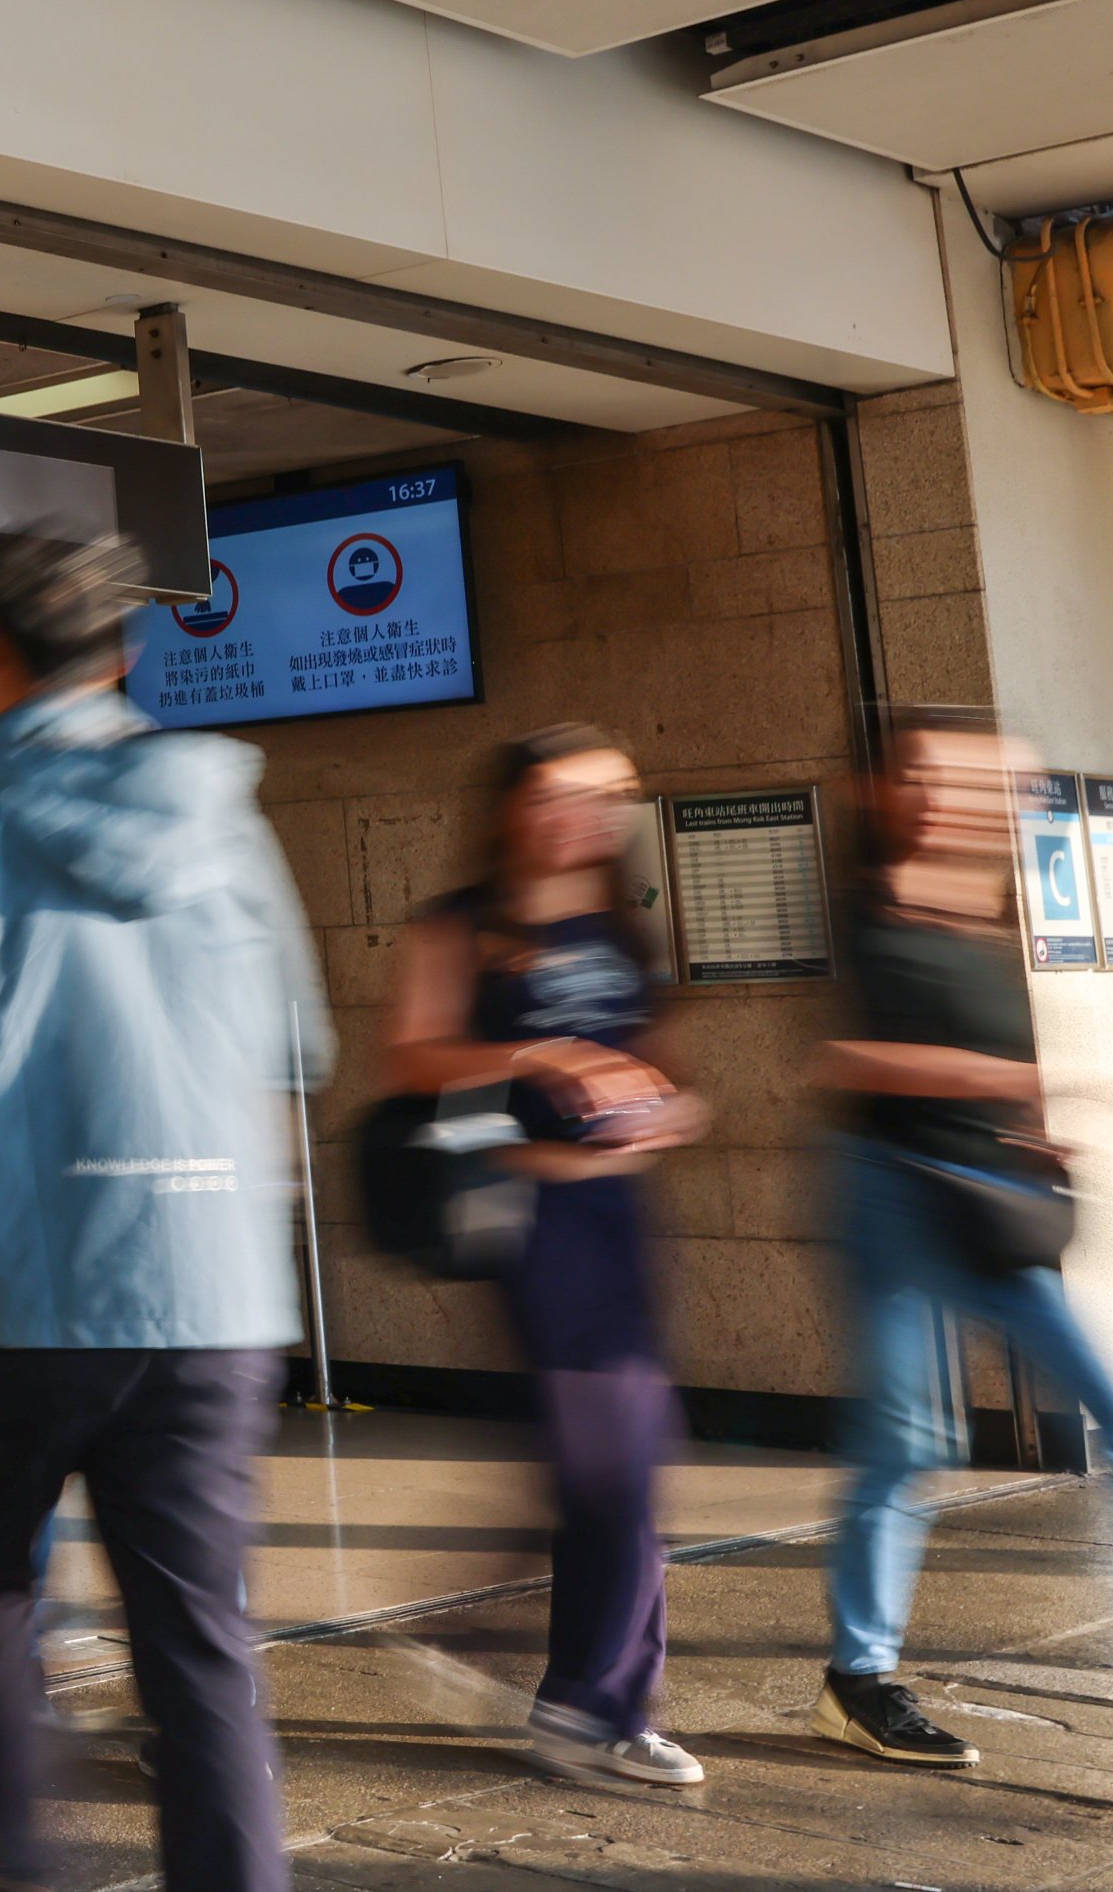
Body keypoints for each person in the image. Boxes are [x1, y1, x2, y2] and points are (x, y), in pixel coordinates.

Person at [0, 529, 327, 1892]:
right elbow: (299, 1047)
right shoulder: (224, 817)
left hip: (16, 1300)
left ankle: (27, 1867)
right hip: (214, 1302)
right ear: (121, 653)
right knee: (200, 1646)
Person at [815, 706, 1113, 1766]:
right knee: (906, 1440)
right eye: (927, 778)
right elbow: (852, 1060)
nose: (949, 798)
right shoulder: (869, 905)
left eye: (974, 783)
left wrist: (1031, 1123)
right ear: (890, 791)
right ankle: (857, 1680)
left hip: (990, 1195)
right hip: (890, 1196)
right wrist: (1029, 1081)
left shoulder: (986, 909)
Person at [380, 728, 708, 1787]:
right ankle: (592, 1707)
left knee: (610, 1463)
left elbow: (662, 1065)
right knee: (621, 1460)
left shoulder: (618, 923)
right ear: (511, 808)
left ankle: (518, 1658)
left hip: (619, 1211)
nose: (585, 819)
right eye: (561, 797)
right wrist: (541, 1055)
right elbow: (411, 1054)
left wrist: (668, 1108)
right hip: (531, 1219)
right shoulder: (463, 923)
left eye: (606, 798)